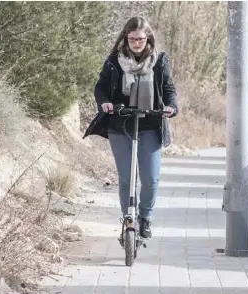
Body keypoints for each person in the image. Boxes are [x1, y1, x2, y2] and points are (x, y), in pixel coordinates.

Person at [83, 16, 178, 240]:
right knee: (126, 178)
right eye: (133, 39)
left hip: (151, 124)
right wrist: (104, 102)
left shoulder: (160, 60)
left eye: (141, 39)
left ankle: (144, 217)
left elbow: (168, 88)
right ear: (126, 38)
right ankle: (128, 218)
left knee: (151, 178)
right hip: (120, 124)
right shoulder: (114, 61)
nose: (137, 43)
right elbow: (101, 87)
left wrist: (171, 107)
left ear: (148, 38)